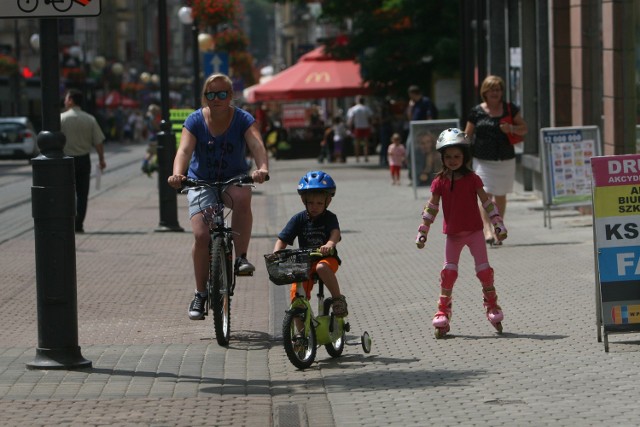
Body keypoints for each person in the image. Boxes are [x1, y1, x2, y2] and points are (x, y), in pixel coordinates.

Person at [167, 73, 269, 320]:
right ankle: (200, 293)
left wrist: (262, 168)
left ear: (231, 96)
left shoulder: (242, 119)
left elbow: (256, 144)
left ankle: (241, 258)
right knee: (202, 235)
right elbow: (184, 149)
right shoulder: (195, 120)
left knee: (242, 197)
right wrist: (177, 174)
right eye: (211, 94)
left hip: (233, 178)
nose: (217, 99)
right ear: (205, 97)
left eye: (222, 94)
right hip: (201, 181)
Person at [415, 128, 507, 338]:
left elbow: (486, 202)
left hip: (475, 232)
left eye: (457, 156)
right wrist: (423, 231)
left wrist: (497, 224)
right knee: (448, 273)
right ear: (442, 158)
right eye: (448, 157)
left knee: (484, 271)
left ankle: (492, 305)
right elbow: (431, 207)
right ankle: (443, 311)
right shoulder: (439, 181)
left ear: (465, 156)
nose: (453, 160)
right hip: (453, 235)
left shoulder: (473, 179)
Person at [272, 170, 348, 317]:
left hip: (327, 259)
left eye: (320, 203)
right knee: (297, 296)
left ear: (328, 202)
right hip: (305, 263)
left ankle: (338, 299)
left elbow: (335, 233)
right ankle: (300, 335)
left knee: (321, 267)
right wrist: (276, 254)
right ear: (304, 201)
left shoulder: (330, 218)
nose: (315, 206)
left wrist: (330, 244)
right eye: (311, 202)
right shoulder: (298, 219)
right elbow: (282, 240)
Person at [464, 75, 527, 245]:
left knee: (500, 196)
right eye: (491, 90)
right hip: (482, 160)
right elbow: (467, 135)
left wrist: (511, 128)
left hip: (505, 159)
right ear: (484, 91)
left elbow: (524, 129)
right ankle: (486, 229)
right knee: (485, 194)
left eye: (498, 90)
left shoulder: (509, 108)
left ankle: (498, 224)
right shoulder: (476, 111)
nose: (495, 93)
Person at [60, 88, 106, 234]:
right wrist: (101, 159)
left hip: (66, 161)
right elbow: (98, 142)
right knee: (82, 194)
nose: (64, 101)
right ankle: (78, 224)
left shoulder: (61, 119)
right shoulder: (90, 119)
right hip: (84, 160)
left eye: (66, 98)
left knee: (67, 193)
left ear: (71, 100)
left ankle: (68, 222)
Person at [346, 96, 373, 162]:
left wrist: (349, 127)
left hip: (357, 127)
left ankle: (357, 157)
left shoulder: (353, 109)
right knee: (366, 143)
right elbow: (370, 118)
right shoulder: (366, 108)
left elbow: (351, 119)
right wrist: (371, 126)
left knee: (357, 143)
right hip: (365, 126)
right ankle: (366, 157)